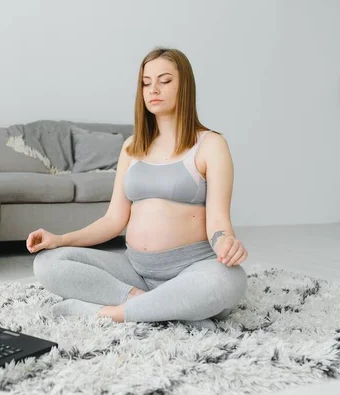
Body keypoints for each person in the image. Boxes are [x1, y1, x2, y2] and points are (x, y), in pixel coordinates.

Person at [27, 47, 248, 330]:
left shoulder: (210, 145)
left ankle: (107, 313)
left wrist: (226, 244)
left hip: (193, 268)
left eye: (165, 81)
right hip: (135, 271)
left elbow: (218, 223)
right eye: (146, 82)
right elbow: (113, 220)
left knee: (229, 281)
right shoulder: (132, 147)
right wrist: (59, 239)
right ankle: (154, 305)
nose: (153, 89)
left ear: (185, 86)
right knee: (47, 263)